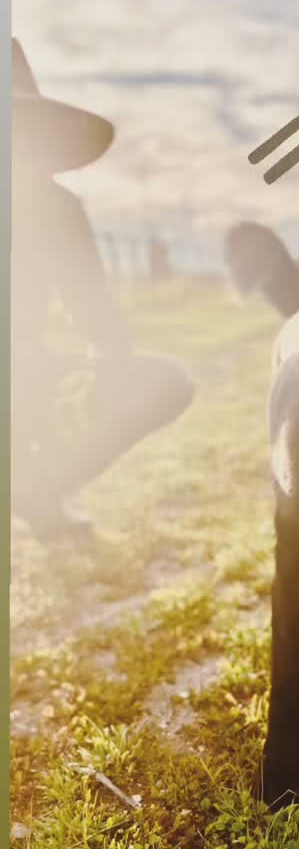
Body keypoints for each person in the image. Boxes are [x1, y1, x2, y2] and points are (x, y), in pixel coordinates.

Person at [11, 38, 194, 542]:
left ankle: (36, 489)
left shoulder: (57, 209)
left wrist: (97, 372)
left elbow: (98, 319)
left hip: (27, 375)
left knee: (166, 381)